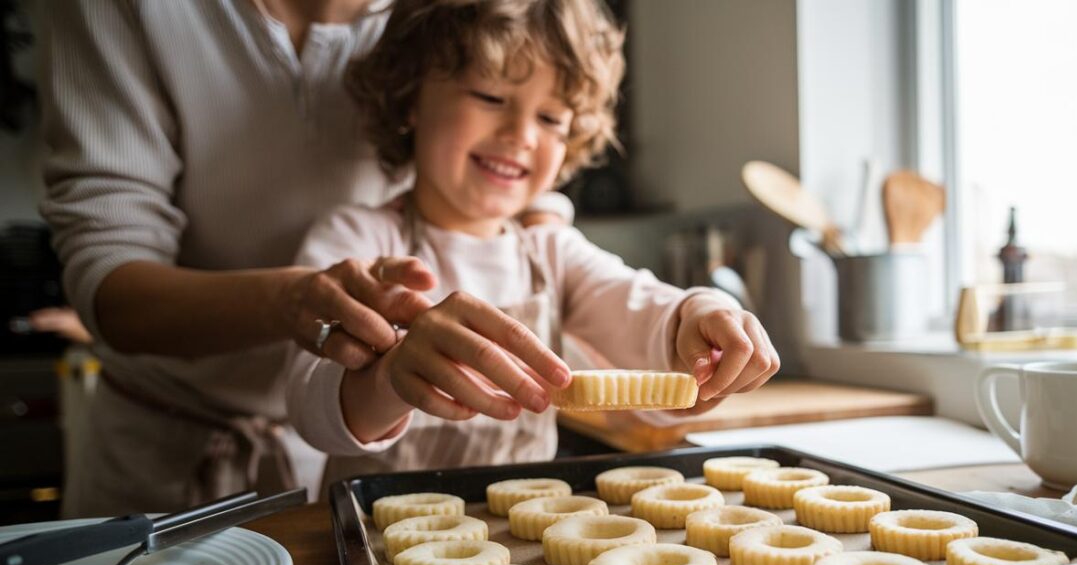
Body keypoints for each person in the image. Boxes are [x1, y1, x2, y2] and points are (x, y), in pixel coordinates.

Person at [36, 0, 574, 516]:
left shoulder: (449, 11)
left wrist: (547, 251)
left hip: (321, 453)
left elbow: (517, 149)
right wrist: (290, 300)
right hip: (160, 453)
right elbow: (109, 284)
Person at [286, 0, 781, 481]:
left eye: (551, 119)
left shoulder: (550, 251)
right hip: (379, 541)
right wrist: (391, 377)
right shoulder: (357, 240)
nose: (521, 133)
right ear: (411, 95)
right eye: (490, 96)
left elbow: (638, 305)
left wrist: (699, 314)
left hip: (522, 536)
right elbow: (310, 408)